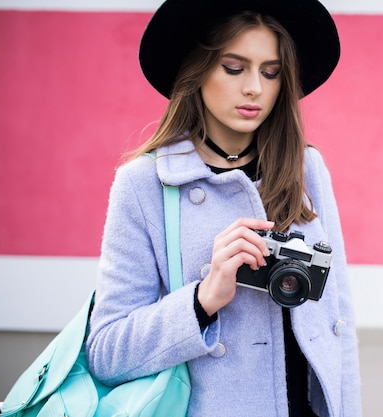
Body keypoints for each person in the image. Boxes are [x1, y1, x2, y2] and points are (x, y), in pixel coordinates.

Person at [86, 0, 362, 416]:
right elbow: (107, 352)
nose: (254, 87)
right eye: (234, 68)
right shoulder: (145, 185)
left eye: (270, 73)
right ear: (196, 72)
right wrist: (202, 299)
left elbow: (339, 320)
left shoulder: (306, 168)